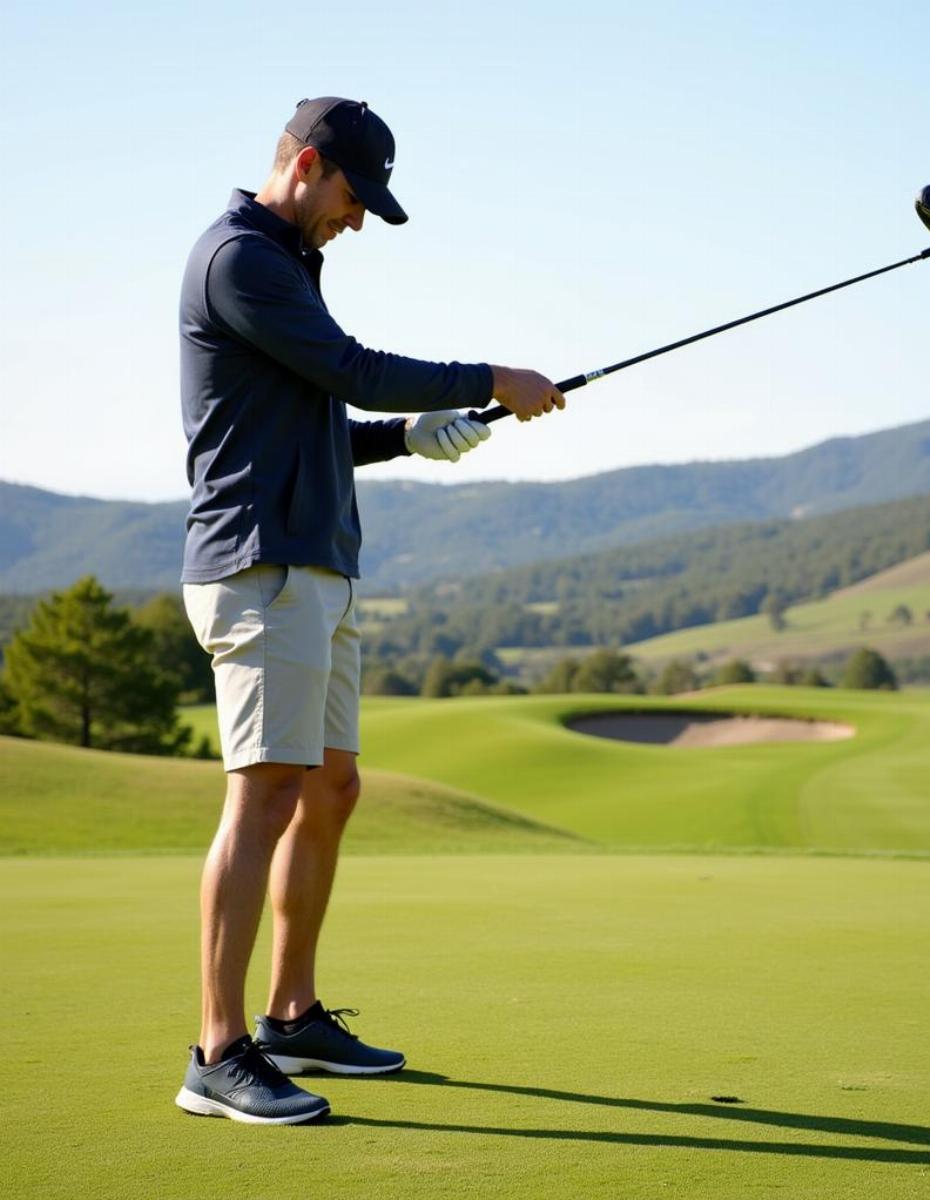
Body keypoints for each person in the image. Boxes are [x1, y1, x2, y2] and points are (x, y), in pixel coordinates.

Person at [174, 96, 564, 1125]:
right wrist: (490, 376)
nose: (358, 219)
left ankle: (292, 1012)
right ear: (306, 164)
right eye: (355, 195)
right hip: (260, 566)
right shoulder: (240, 260)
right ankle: (217, 1052)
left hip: (319, 562)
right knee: (262, 795)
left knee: (331, 788)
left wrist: (406, 440)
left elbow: (319, 421)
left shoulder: (291, 264)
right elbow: (350, 369)